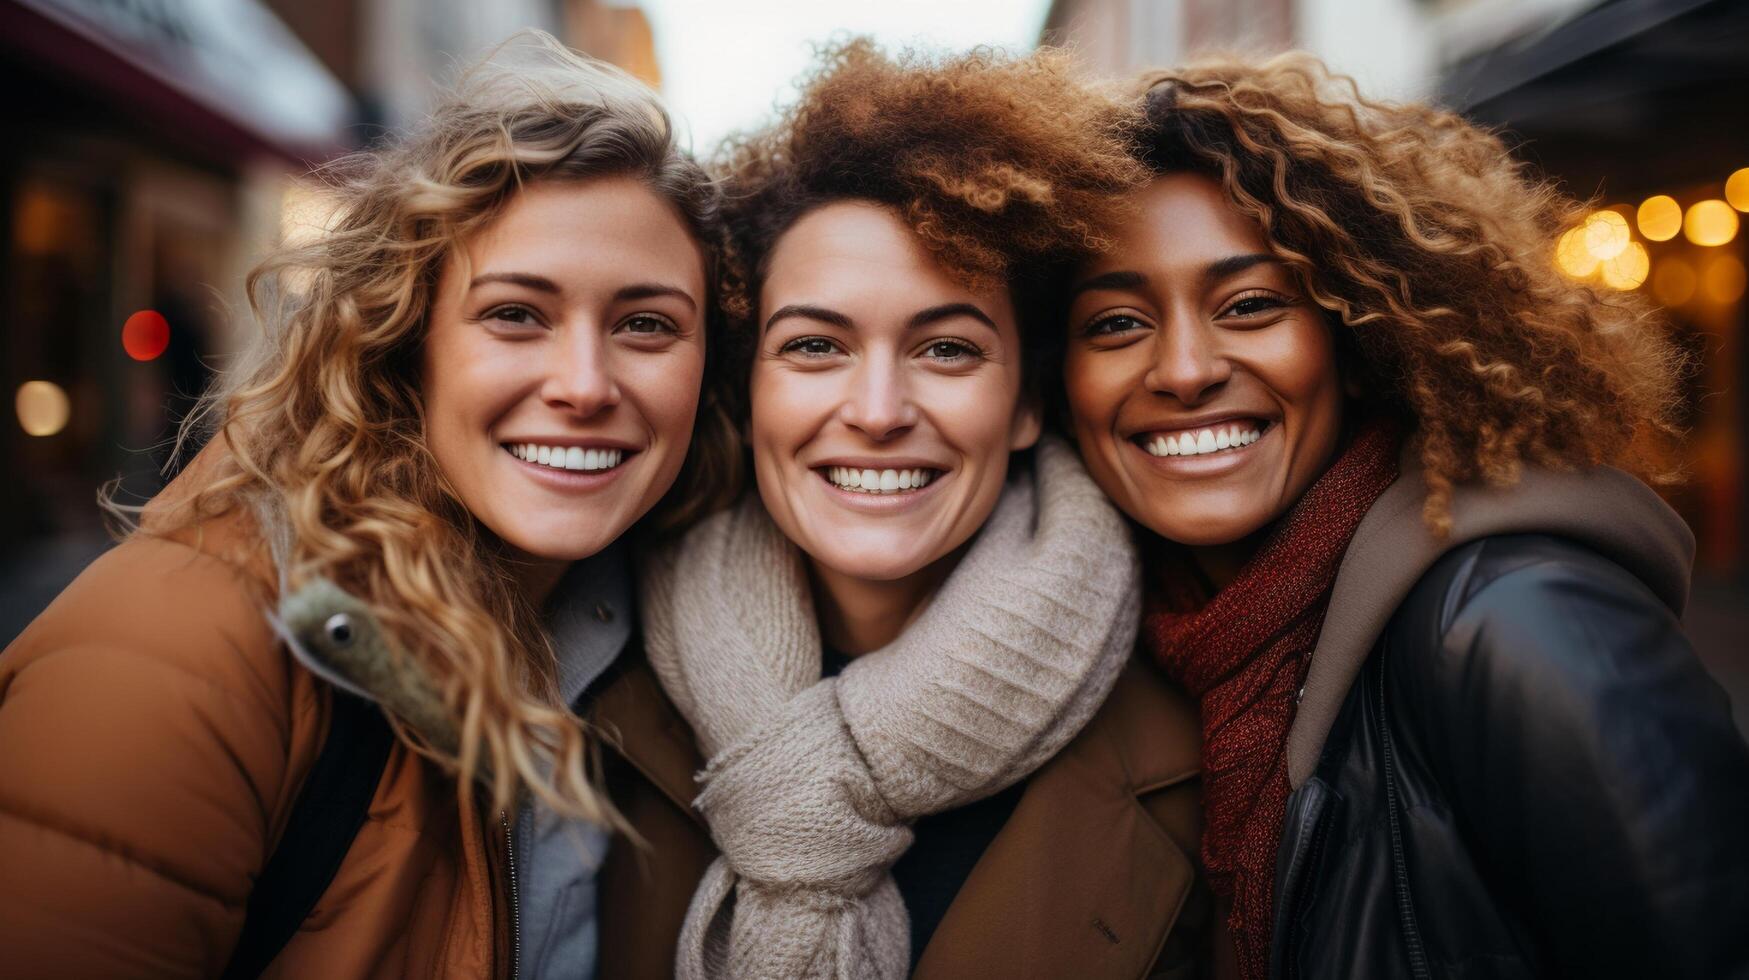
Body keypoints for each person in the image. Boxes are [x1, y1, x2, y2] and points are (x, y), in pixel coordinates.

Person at [0, 33, 736, 978]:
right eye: (516, 313)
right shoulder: (181, 648)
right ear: (407, 340)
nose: (584, 385)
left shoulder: (661, 644)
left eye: (646, 325)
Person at [1059, 53, 1749, 980]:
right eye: (1114, 323)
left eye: (1252, 304)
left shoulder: (1514, 623)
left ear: (1351, 342)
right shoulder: (1172, 643)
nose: (1183, 369)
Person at [590, 41, 1215, 979]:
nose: (878, 412)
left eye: (947, 351)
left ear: (1027, 405)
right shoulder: (579, 694)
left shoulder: (1203, 751)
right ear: (745, 385)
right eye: (814, 347)